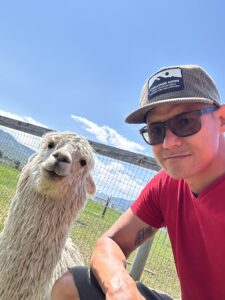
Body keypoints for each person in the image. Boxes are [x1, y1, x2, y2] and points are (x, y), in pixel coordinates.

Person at [51, 64, 225, 300]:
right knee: (71, 285)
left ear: (221, 120)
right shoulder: (167, 185)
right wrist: (121, 288)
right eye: (156, 130)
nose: (168, 143)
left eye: (185, 122)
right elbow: (110, 243)